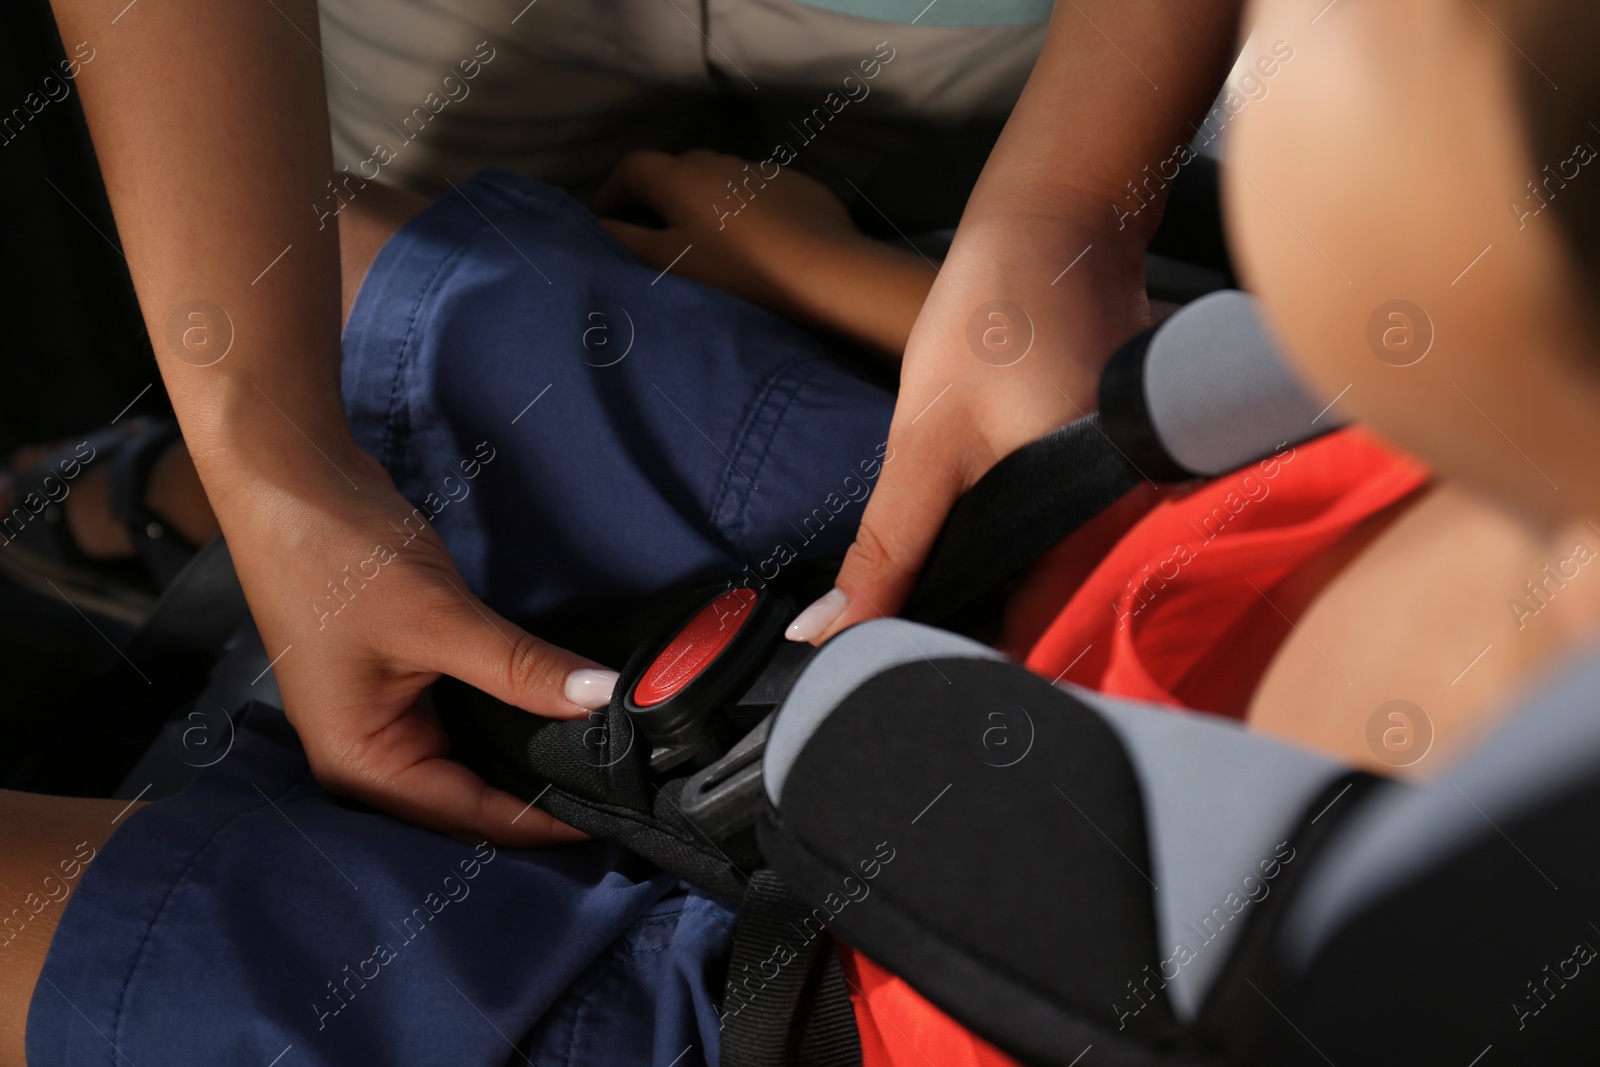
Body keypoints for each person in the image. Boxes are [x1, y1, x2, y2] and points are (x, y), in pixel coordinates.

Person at [4, 30, 1596, 1046]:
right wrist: (887, 271)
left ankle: (194, 553)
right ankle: (199, 505)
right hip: (990, 526)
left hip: (794, 1016)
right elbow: (1291, 381)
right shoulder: (1468, 369)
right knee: (341, 259)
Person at [35, 0, 1246, 845]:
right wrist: (268, 458)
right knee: (349, 294)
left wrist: (1055, 208)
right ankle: (197, 489)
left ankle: (186, 496)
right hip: (443, 30)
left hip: (970, 43)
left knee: (394, 308)